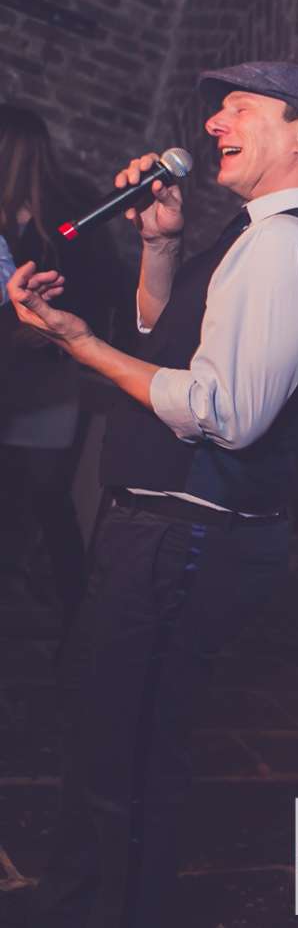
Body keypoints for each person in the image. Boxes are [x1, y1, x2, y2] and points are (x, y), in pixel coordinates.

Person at [8, 61, 298, 928]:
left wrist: (80, 343)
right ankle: (77, 902)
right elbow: (169, 343)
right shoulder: (257, 234)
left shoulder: (286, 245)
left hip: (185, 539)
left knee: (126, 759)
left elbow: (221, 411)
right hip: (167, 533)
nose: (214, 123)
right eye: (217, 109)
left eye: (240, 107)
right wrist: (161, 247)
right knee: (109, 744)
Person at [0, 104, 124, 623]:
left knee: (45, 497)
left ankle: (77, 610)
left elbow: (104, 287)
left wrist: (61, 337)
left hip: (44, 376)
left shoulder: (70, 218)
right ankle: (72, 609)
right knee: (41, 497)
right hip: (29, 374)